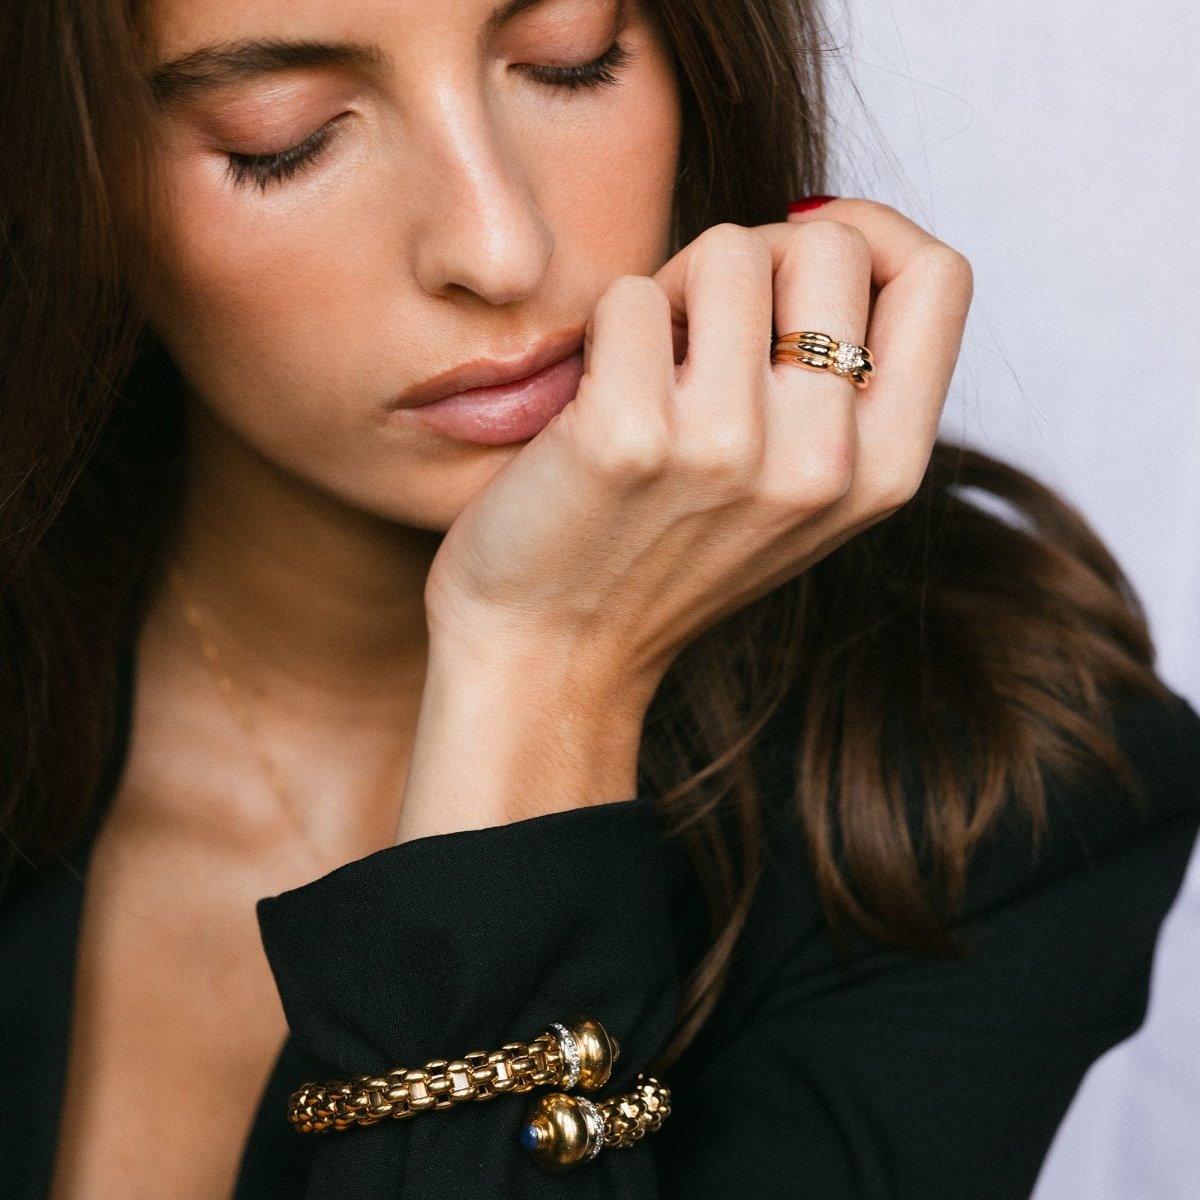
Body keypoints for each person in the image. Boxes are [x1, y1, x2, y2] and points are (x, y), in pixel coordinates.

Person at [1, 0, 1197, 1196]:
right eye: (285, 137)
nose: (499, 245)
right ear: (62, 175)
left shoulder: (986, 789)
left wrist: (544, 667)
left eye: (573, 62)